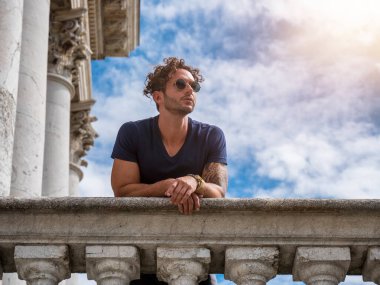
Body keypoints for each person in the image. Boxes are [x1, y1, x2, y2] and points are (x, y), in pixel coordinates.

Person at [110, 57, 227, 283]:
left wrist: (195, 181)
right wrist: (166, 186)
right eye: (181, 84)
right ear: (158, 96)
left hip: (194, 255)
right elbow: (122, 192)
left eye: (195, 86)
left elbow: (219, 193)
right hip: (142, 255)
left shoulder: (212, 135)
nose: (190, 90)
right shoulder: (132, 133)